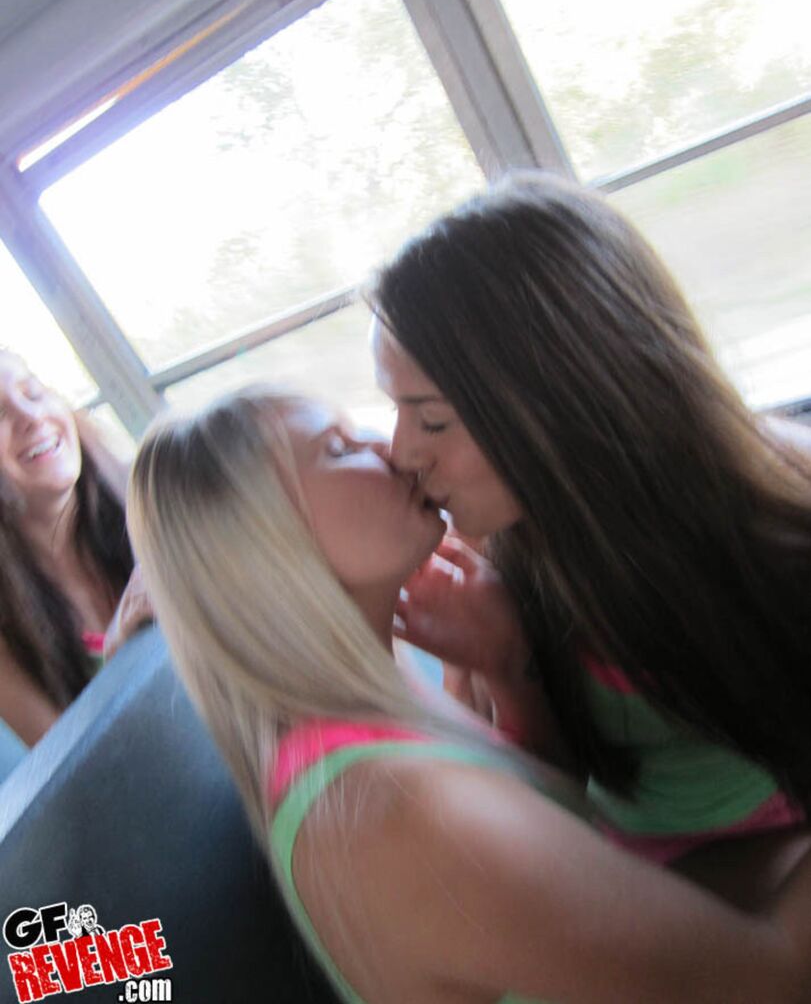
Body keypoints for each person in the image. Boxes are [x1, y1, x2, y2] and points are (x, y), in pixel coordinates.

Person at [127, 385, 811, 1004]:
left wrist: (506, 668)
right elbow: (766, 981)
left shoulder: (360, 702)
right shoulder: (393, 811)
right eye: (338, 448)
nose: (391, 448)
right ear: (268, 552)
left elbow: (550, 836)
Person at [369, 171, 811, 866]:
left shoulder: (774, 521)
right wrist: (502, 665)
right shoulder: (495, 546)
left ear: (557, 399)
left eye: (431, 419)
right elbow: (540, 816)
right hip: (631, 867)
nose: (401, 453)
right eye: (394, 410)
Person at [0, 350, 144, 746]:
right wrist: (128, 657)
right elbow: (87, 768)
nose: (32, 416)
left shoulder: (157, 500)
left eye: (33, 393)